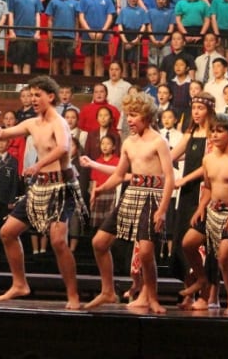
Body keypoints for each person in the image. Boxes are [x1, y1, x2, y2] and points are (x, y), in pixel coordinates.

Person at [0, 75, 87, 309]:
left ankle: (73, 295)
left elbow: (64, 148)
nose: (33, 99)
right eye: (31, 95)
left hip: (62, 187)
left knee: (58, 242)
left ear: (50, 97)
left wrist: (38, 165)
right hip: (40, 187)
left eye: (37, 95)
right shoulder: (32, 123)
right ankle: (20, 284)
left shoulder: (59, 122)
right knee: (7, 232)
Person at [85, 91, 174, 314]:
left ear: (146, 115)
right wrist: (102, 187)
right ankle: (107, 290)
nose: (130, 120)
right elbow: (119, 174)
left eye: (133, 115)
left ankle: (152, 296)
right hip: (130, 195)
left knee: (145, 252)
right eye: (128, 115)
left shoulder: (158, 141)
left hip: (151, 197)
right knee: (99, 243)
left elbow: (170, 178)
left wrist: (162, 210)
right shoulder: (128, 142)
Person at [179, 114, 228, 315]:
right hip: (213, 211)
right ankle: (202, 278)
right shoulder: (208, 159)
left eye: (219, 131)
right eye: (212, 131)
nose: (214, 135)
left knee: (224, 257)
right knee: (188, 243)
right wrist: (200, 208)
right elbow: (207, 186)